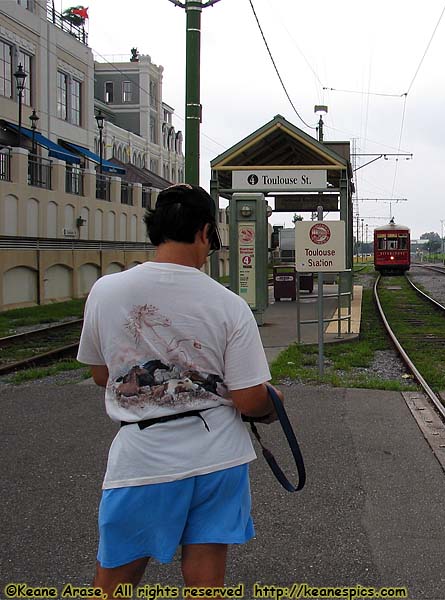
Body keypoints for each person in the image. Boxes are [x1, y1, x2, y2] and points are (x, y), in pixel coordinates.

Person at [78, 183, 281, 596]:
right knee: (206, 584)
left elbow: (103, 376)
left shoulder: (107, 291)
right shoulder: (228, 304)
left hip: (141, 459)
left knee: (114, 582)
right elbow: (247, 398)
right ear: (206, 232)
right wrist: (274, 404)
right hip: (218, 458)